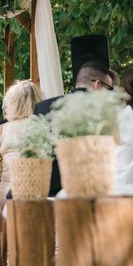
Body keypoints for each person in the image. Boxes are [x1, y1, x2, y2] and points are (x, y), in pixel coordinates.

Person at [35, 61, 116, 196]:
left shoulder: (42, 107)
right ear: (97, 84)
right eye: (109, 89)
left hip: (44, 192)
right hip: (82, 192)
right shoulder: (101, 112)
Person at [0, 80, 44, 215]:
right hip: (35, 197)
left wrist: (6, 183)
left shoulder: (2, 130)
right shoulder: (41, 127)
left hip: (5, 197)